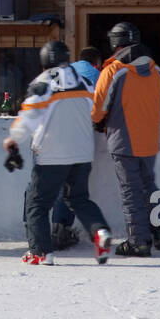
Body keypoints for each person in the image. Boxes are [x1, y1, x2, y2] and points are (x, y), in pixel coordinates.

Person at [5, 41, 113, 265]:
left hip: (52, 154)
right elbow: (98, 110)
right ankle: (100, 232)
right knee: (79, 199)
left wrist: (13, 139)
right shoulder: (83, 80)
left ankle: (40, 252)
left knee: (37, 203)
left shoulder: (43, 82)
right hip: (83, 153)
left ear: (44, 60)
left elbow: (30, 114)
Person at [91, 21, 160, 257]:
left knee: (130, 191)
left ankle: (138, 242)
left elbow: (99, 108)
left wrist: (97, 121)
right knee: (148, 185)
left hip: (123, 139)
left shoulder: (113, 70)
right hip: (150, 139)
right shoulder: (157, 71)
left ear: (115, 43)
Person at [51, 47, 105, 250]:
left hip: (54, 135)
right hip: (78, 136)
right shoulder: (98, 75)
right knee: (73, 187)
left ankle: (55, 228)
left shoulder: (61, 73)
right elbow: (101, 106)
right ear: (96, 63)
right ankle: (63, 230)